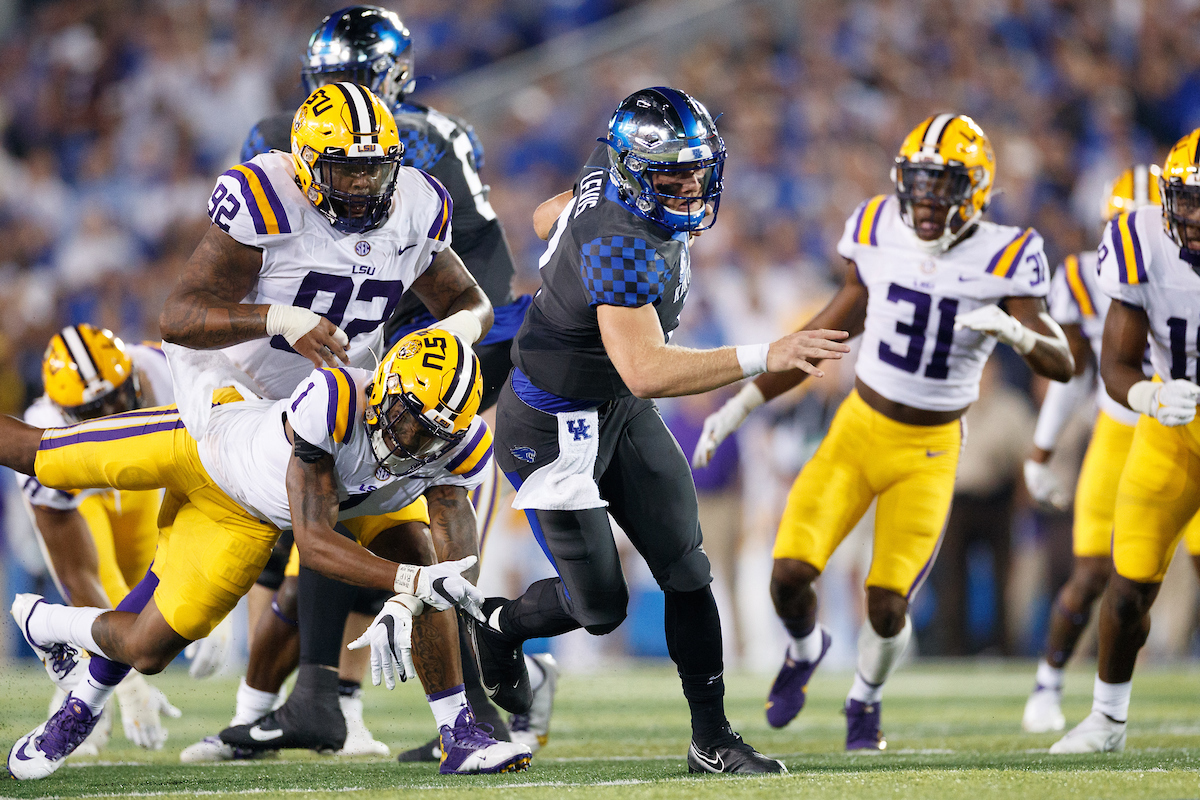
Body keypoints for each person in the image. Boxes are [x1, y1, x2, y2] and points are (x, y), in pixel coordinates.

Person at [471, 86, 852, 776]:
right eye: (670, 175)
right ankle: (498, 627)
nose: (688, 186)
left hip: (615, 408)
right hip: (555, 427)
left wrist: (566, 245)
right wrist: (770, 353)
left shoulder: (608, 175)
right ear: (629, 170)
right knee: (600, 608)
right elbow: (646, 368)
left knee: (688, 568)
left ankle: (712, 738)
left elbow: (544, 213)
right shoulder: (619, 237)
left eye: (697, 170)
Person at [213, 5, 545, 764]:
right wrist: (283, 325)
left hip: (404, 345)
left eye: (359, 82)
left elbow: (482, 260)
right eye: (331, 84)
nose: (347, 103)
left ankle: (465, 688)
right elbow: (240, 266)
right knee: (299, 536)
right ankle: (312, 699)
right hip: (306, 353)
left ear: (395, 83)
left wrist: (429, 346)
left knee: (405, 513)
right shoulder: (273, 141)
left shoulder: (432, 141)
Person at [694, 113, 1074, 751]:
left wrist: (1016, 331)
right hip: (857, 430)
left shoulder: (1009, 253)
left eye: (942, 185)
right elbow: (823, 334)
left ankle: (864, 700)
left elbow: (1060, 363)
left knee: (887, 603)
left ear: (975, 189)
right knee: (787, 572)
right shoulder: (874, 228)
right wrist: (741, 405)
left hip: (928, 449)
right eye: (918, 183)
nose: (925, 200)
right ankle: (806, 646)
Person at [5, 331, 532, 780]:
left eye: (435, 434)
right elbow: (316, 542)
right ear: (385, 387)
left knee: (147, 650)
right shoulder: (335, 401)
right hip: (204, 448)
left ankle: (460, 735)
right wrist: (409, 584)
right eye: (411, 418)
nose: (415, 440)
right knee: (43, 454)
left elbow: (454, 569)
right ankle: (49, 630)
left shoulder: (458, 448)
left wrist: (426, 591)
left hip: (248, 520)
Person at [155, 75, 494, 761]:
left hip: (344, 394)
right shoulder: (265, 198)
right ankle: (260, 706)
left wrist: (443, 336)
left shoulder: (417, 205)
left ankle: (297, 716)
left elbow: (471, 300)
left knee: (383, 548)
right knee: (277, 557)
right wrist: (279, 317)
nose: (364, 185)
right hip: (240, 394)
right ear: (308, 164)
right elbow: (180, 318)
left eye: (376, 168)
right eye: (346, 168)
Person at [1022, 166, 1200, 733]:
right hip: (1126, 421)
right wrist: (1042, 449)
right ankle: (1051, 685)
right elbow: (1079, 373)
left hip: (1175, 425)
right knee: (1098, 569)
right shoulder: (1093, 270)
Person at [20, 326, 182, 755]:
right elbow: (78, 574)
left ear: (133, 378)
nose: (111, 414)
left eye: (116, 396)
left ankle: (82, 689)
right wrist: (121, 675)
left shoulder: (168, 373)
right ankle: (83, 690)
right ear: (62, 411)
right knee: (107, 589)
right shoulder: (46, 438)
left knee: (149, 584)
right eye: (93, 408)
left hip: (147, 470)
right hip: (83, 488)